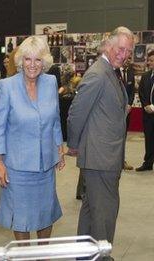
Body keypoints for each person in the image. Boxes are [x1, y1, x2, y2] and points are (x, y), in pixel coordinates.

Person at [67, 27, 134, 251]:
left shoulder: (110, 70)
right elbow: (76, 112)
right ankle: (101, 255)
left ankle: (84, 254)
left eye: (128, 51)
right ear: (108, 45)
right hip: (100, 158)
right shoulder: (98, 73)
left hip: (104, 156)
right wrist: (74, 145)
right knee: (105, 211)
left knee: (91, 209)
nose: (124, 55)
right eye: (121, 49)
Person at [0, 36, 65, 241]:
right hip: (17, 166)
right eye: (28, 59)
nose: (32, 65)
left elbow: (55, 119)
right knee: (21, 216)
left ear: (45, 62)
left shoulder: (51, 83)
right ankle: (24, 255)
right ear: (21, 61)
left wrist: (59, 148)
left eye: (38, 60)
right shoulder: (7, 86)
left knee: (45, 214)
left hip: (46, 165)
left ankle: (43, 254)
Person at [136, 50, 154, 171]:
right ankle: (148, 163)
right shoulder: (146, 76)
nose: (150, 62)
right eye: (149, 60)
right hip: (148, 114)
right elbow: (141, 93)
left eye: (152, 60)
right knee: (149, 139)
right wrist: (146, 105)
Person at [120, 57, 135, 170]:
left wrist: (129, 104)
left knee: (123, 136)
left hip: (126, 111)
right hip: (114, 110)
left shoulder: (130, 71)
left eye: (130, 58)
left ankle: (122, 161)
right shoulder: (113, 71)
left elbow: (131, 91)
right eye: (127, 58)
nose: (128, 60)